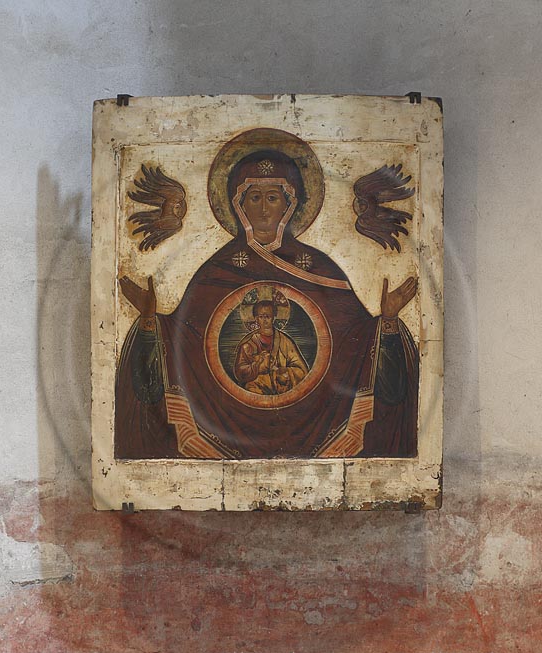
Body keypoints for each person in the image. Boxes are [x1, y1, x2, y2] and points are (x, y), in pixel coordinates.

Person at [115, 131, 419, 460]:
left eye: (272, 198)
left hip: (312, 420)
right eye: (253, 198)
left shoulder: (319, 268)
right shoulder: (216, 270)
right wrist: (149, 321)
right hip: (225, 420)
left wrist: (387, 321)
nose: (263, 210)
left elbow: (355, 340)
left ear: (290, 205)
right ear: (237, 204)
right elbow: (184, 338)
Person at [233, 300, 309, 395]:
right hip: (257, 385)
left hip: (281, 385)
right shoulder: (248, 344)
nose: (264, 320)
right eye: (261, 317)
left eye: (268, 316)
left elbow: (302, 370)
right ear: (256, 319)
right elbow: (240, 372)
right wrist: (257, 366)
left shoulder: (285, 341)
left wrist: (284, 372)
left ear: (273, 317)